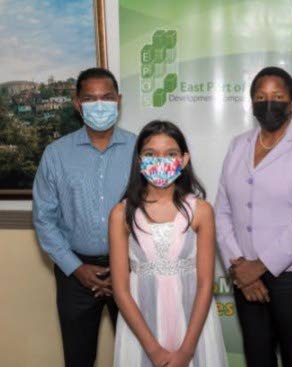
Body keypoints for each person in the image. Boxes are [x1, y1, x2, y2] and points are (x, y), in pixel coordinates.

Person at [214, 66, 292, 367]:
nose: (269, 103)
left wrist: (261, 266)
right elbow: (223, 209)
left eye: (277, 96)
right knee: (257, 358)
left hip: (291, 279)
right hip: (243, 277)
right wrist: (240, 265)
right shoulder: (238, 144)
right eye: (260, 96)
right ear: (251, 103)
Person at [32, 67, 135, 367]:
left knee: (137, 356)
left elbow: (153, 213)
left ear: (119, 100)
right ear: (77, 104)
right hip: (75, 273)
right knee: (78, 357)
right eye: (90, 99)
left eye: (107, 97)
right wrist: (76, 268)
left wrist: (126, 266)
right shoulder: (56, 154)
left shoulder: (141, 149)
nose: (99, 105)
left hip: (132, 271)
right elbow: (44, 219)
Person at [110, 120, 227, 367]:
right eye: (151, 154)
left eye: (170, 154)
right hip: (141, 329)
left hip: (193, 328)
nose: (160, 161)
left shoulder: (201, 211)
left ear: (184, 159)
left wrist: (187, 350)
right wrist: (153, 350)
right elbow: (120, 289)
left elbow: (206, 284)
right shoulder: (121, 214)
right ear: (139, 160)